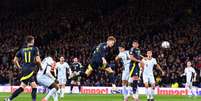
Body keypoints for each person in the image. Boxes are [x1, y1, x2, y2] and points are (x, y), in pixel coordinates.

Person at [4, 35, 42, 101]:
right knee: (32, 87)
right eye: (33, 40)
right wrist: (41, 67)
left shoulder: (22, 50)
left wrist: (19, 67)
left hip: (24, 69)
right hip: (30, 69)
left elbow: (15, 60)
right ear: (32, 41)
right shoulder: (35, 48)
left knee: (27, 86)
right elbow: (38, 60)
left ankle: (9, 99)